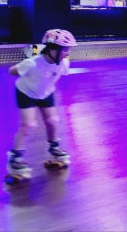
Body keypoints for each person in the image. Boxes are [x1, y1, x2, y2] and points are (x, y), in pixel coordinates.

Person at [6, 29, 78, 180]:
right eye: (65, 49)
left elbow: (52, 74)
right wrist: (21, 70)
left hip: (45, 93)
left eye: (68, 50)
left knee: (53, 121)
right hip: (26, 92)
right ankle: (15, 158)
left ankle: (54, 148)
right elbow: (12, 71)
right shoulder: (32, 63)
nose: (67, 53)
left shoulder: (64, 63)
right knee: (28, 124)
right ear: (53, 49)